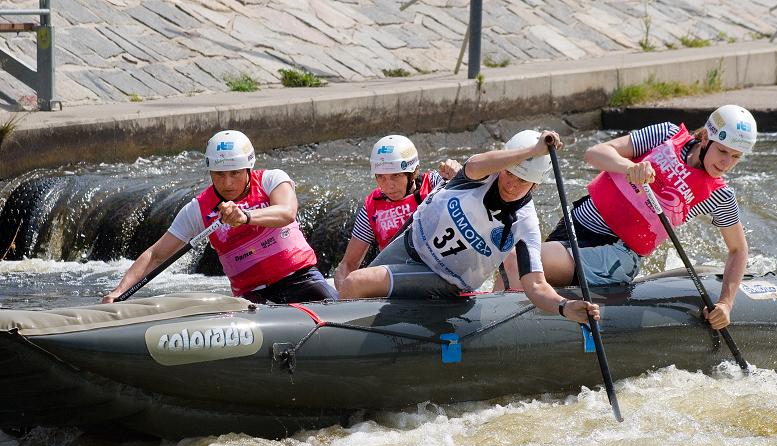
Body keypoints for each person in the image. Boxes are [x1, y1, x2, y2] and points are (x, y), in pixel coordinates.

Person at [338, 130, 601, 325]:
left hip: (443, 277)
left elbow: (536, 285)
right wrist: (532, 151)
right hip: (410, 244)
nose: (511, 185)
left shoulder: (526, 223)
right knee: (355, 292)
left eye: (522, 181)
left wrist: (564, 306)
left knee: (355, 283)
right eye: (509, 173)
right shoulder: (479, 174)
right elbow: (478, 163)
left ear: (535, 185)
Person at [540, 105, 757, 330]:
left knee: (527, 259)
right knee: (520, 271)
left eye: (736, 156)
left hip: (616, 252)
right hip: (576, 225)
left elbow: (738, 250)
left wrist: (726, 303)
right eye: (722, 151)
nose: (726, 163)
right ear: (705, 138)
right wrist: (629, 168)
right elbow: (594, 153)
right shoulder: (665, 134)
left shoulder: (720, 195)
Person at [102, 130, 338, 304]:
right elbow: (156, 255)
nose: (227, 183)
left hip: (301, 280)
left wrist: (246, 216)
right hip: (252, 297)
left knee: (336, 306)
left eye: (235, 173)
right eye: (219, 174)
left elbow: (287, 212)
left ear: (248, 168)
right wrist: (118, 292)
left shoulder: (271, 180)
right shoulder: (198, 210)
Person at [333, 135, 461, 290]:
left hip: (439, 270)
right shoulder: (371, 207)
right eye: (381, 177)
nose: (389, 186)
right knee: (353, 280)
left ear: (412, 173)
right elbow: (348, 264)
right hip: (397, 277)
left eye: (396, 175)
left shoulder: (435, 183)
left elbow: (469, 188)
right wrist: (343, 295)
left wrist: (458, 173)